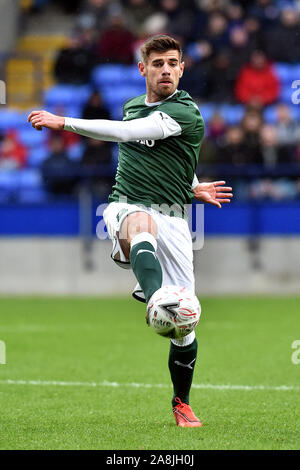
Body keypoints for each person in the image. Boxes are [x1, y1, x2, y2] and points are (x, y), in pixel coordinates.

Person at [28, 35, 233, 428]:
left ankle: (182, 402)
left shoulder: (187, 112)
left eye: (173, 63)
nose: (167, 70)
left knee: (184, 326)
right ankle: (154, 293)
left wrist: (190, 186)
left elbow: (143, 139)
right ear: (144, 69)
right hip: (126, 204)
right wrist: (63, 121)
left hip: (174, 219)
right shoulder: (133, 107)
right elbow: (132, 139)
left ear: (182, 68)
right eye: (158, 64)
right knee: (141, 224)